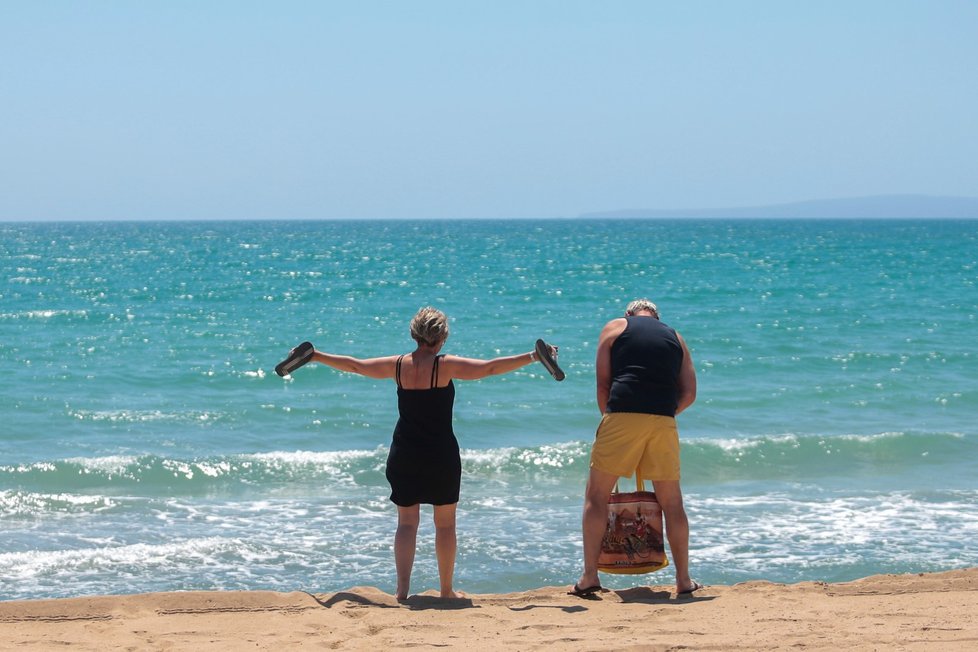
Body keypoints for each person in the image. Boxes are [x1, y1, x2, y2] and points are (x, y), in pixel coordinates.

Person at [308, 306, 552, 600]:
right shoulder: (444, 365)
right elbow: (489, 368)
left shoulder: (398, 365)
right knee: (445, 524)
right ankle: (446, 590)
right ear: (442, 337)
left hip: (404, 453)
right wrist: (533, 356)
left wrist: (316, 355)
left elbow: (355, 365)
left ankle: (401, 592)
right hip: (440, 455)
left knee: (407, 523)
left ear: (415, 334)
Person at [572, 298, 699, 597]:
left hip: (622, 413)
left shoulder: (616, 326)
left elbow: (603, 385)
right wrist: (661, 415)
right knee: (672, 502)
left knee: (597, 496)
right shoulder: (676, 337)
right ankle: (683, 580)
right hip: (663, 420)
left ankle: (590, 576)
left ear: (629, 313)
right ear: (656, 317)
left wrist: (613, 419)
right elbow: (690, 392)